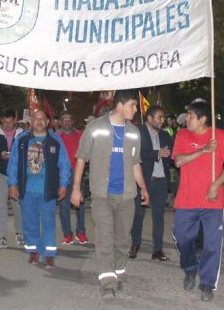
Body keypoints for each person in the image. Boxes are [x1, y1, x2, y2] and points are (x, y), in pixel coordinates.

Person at [71, 90, 150, 298]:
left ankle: (119, 273)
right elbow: (81, 159)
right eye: (133, 105)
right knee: (105, 239)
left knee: (123, 240)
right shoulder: (94, 128)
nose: (136, 109)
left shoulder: (134, 132)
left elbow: (135, 164)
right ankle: (107, 283)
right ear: (120, 106)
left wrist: (143, 188)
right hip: (102, 196)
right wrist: (76, 189)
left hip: (126, 196)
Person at [171, 100, 224, 301]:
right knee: (182, 238)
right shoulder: (182, 135)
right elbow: (179, 161)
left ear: (203, 119)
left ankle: (207, 284)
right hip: (186, 200)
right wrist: (204, 150)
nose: (187, 119)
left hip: (212, 202)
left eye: (191, 115)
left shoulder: (220, 136)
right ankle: (190, 268)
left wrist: (215, 185)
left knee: (212, 244)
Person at [7, 110, 71, 269]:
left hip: (47, 189)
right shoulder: (21, 140)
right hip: (26, 189)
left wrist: (63, 184)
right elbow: (13, 164)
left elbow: (64, 164)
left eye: (43, 119)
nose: (40, 121)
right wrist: (12, 184)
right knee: (29, 222)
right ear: (31, 121)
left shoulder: (55, 141)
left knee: (48, 222)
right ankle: (33, 250)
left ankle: (49, 254)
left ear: (48, 122)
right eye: (36, 118)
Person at [129, 105, 173, 261]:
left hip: (160, 182)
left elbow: (172, 154)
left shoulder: (166, 135)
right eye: (159, 117)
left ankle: (158, 250)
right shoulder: (137, 133)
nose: (162, 120)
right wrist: (157, 153)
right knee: (138, 215)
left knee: (158, 217)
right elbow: (135, 154)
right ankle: (135, 245)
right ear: (149, 118)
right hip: (143, 181)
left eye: (163, 117)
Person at [0, 109, 24, 249]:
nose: (7, 125)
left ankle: (19, 233)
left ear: (15, 120)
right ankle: (2, 236)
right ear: (1, 121)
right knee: (1, 206)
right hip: (0, 173)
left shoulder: (23, 134)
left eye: (10, 122)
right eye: (5, 122)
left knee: (18, 205)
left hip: (18, 175)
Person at [56, 110, 88, 245]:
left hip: (77, 174)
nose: (67, 122)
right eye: (64, 119)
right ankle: (67, 234)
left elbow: (87, 154)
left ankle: (81, 232)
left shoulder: (81, 136)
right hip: (61, 176)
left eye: (69, 119)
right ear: (59, 122)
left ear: (73, 121)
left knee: (80, 205)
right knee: (63, 206)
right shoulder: (55, 137)